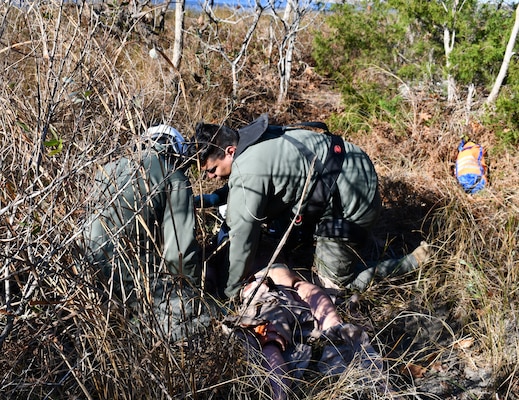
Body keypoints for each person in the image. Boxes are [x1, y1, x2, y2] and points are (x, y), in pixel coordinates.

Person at [193, 114, 430, 299]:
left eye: (212, 170)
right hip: (348, 167)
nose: (211, 177)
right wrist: (214, 198)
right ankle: (358, 242)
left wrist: (229, 291)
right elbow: (257, 181)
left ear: (230, 151)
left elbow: (242, 240)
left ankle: (412, 261)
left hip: (351, 198)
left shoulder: (248, 170)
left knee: (334, 288)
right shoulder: (251, 137)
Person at [83, 124, 212, 340]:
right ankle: (136, 336)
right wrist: (189, 291)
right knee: (207, 315)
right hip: (126, 272)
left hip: (86, 268)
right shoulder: (174, 176)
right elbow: (178, 252)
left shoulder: (108, 168)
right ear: (176, 151)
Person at [224, 264, 385, 400]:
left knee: (270, 339)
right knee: (271, 338)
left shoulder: (261, 266)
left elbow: (300, 287)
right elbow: (303, 288)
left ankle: (279, 394)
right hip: (281, 291)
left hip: (272, 289)